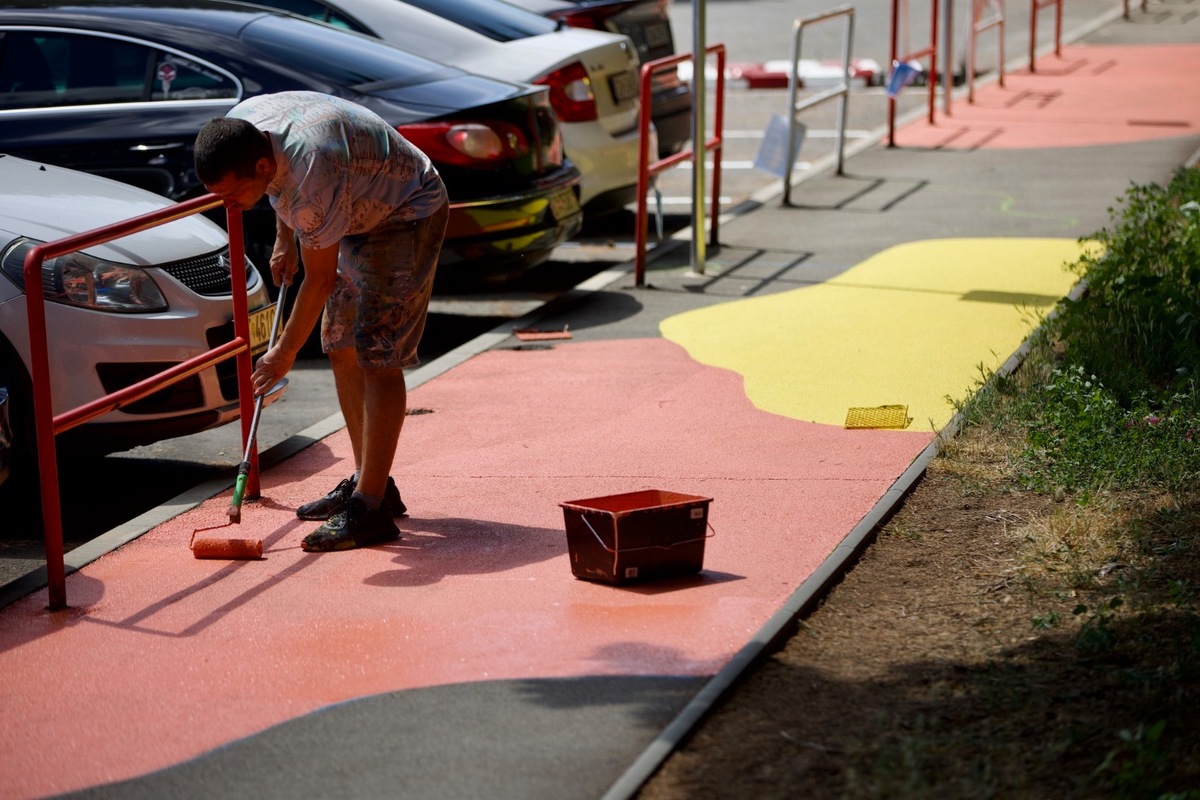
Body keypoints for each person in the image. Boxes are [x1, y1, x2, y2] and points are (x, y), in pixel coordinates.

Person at [193, 91, 449, 552]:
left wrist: (282, 355)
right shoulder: (243, 127)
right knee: (341, 344)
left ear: (260, 168)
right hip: (351, 207)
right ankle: (370, 483)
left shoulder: (311, 172)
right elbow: (283, 190)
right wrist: (284, 238)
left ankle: (369, 511)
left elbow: (319, 281)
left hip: (406, 211)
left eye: (232, 196)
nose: (228, 208)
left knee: (378, 354)